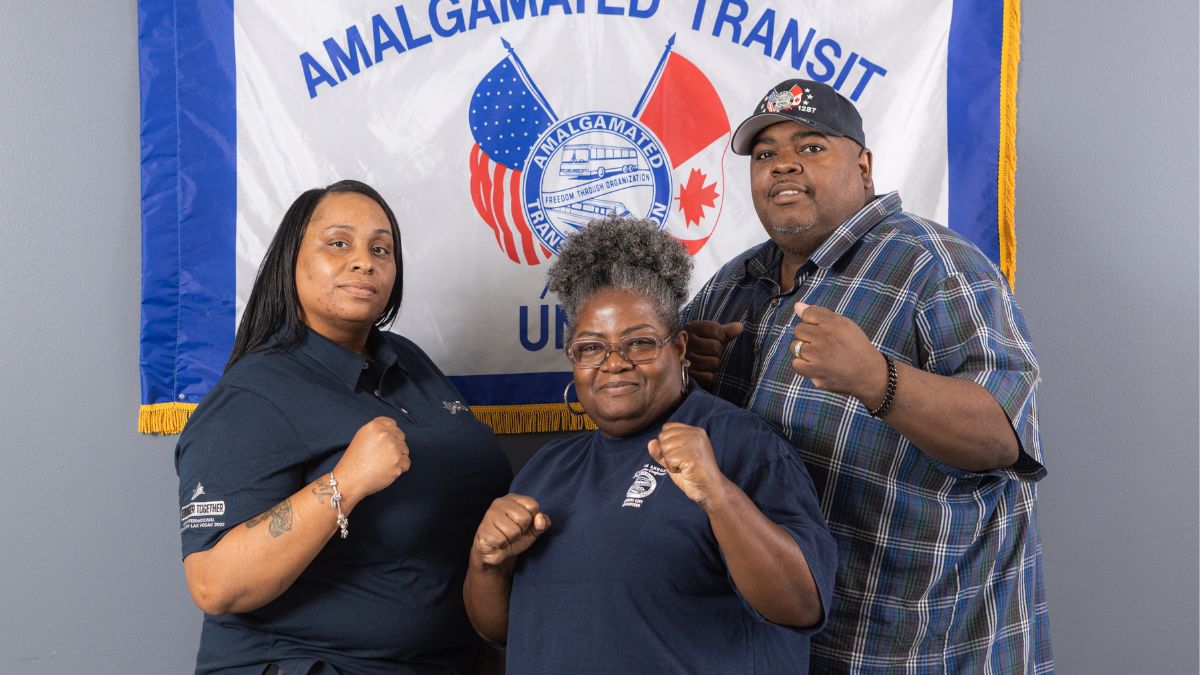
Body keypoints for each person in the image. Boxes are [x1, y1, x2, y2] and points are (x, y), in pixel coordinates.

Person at [683, 79, 1053, 672]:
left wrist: (879, 380)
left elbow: (1002, 439)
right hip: (782, 642)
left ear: (863, 165)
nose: (783, 166)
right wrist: (686, 365)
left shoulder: (937, 266)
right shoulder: (734, 283)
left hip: (920, 644)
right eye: (765, 154)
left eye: (810, 147)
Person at [462, 217, 837, 673]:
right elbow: (500, 631)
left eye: (638, 343)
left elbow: (801, 607)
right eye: (591, 347)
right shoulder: (548, 469)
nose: (614, 363)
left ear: (679, 349)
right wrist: (487, 563)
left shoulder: (739, 443)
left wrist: (719, 497)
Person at [174, 180, 512, 674]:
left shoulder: (410, 362)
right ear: (292, 259)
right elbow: (214, 584)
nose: (363, 261)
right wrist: (345, 482)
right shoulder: (252, 396)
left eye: (381, 248)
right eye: (339, 243)